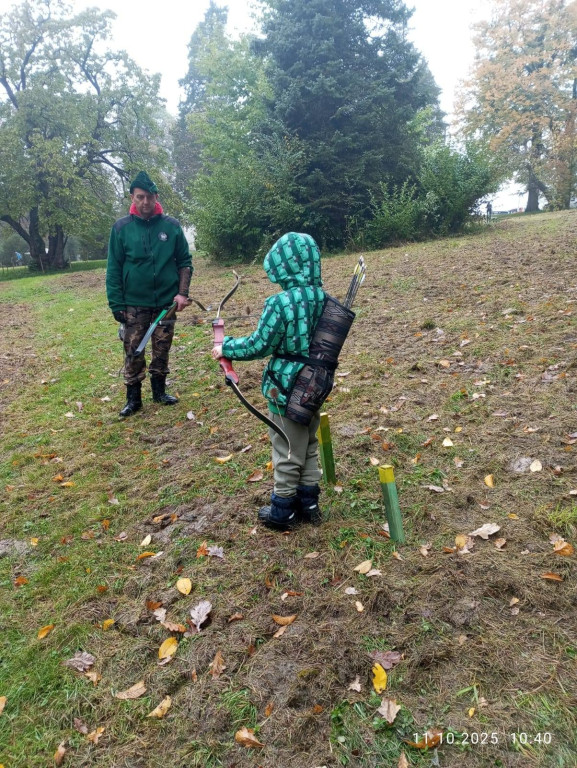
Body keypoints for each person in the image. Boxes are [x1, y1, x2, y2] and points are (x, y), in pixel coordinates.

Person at [212, 232, 326, 530]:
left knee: (287, 447)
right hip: (316, 385)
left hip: (286, 389)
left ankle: (283, 511)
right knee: (309, 442)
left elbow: (259, 344)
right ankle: (309, 503)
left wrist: (225, 348)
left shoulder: (281, 302)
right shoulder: (323, 298)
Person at [106, 171, 193, 418]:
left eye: (149, 197)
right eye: (140, 197)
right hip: (134, 304)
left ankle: (159, 391)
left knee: (162, 348)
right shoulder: (121, 228)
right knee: (133, 350)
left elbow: (185, 262)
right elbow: (113, 268)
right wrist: (116, 303)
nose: (145, 202)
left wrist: (182, 293)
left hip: (166, 303)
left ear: (156, 197)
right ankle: (133, 399)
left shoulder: (171, 227)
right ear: (132, 197)